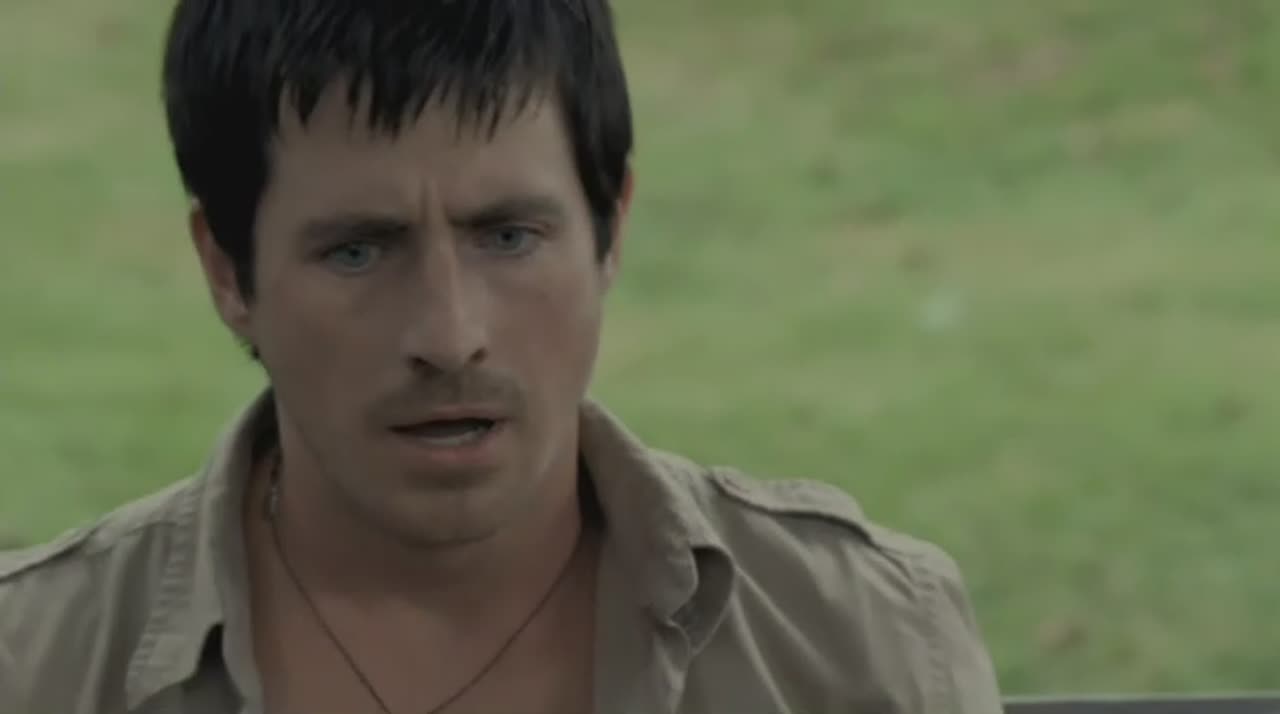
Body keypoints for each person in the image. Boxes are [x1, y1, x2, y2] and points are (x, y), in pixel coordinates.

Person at [0, 2, 1005, 712]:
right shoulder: (35, 668)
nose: (449, 336)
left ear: (610, 229)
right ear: (228, 271)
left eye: (509, 236)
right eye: (358, 251)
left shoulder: (859, 643)